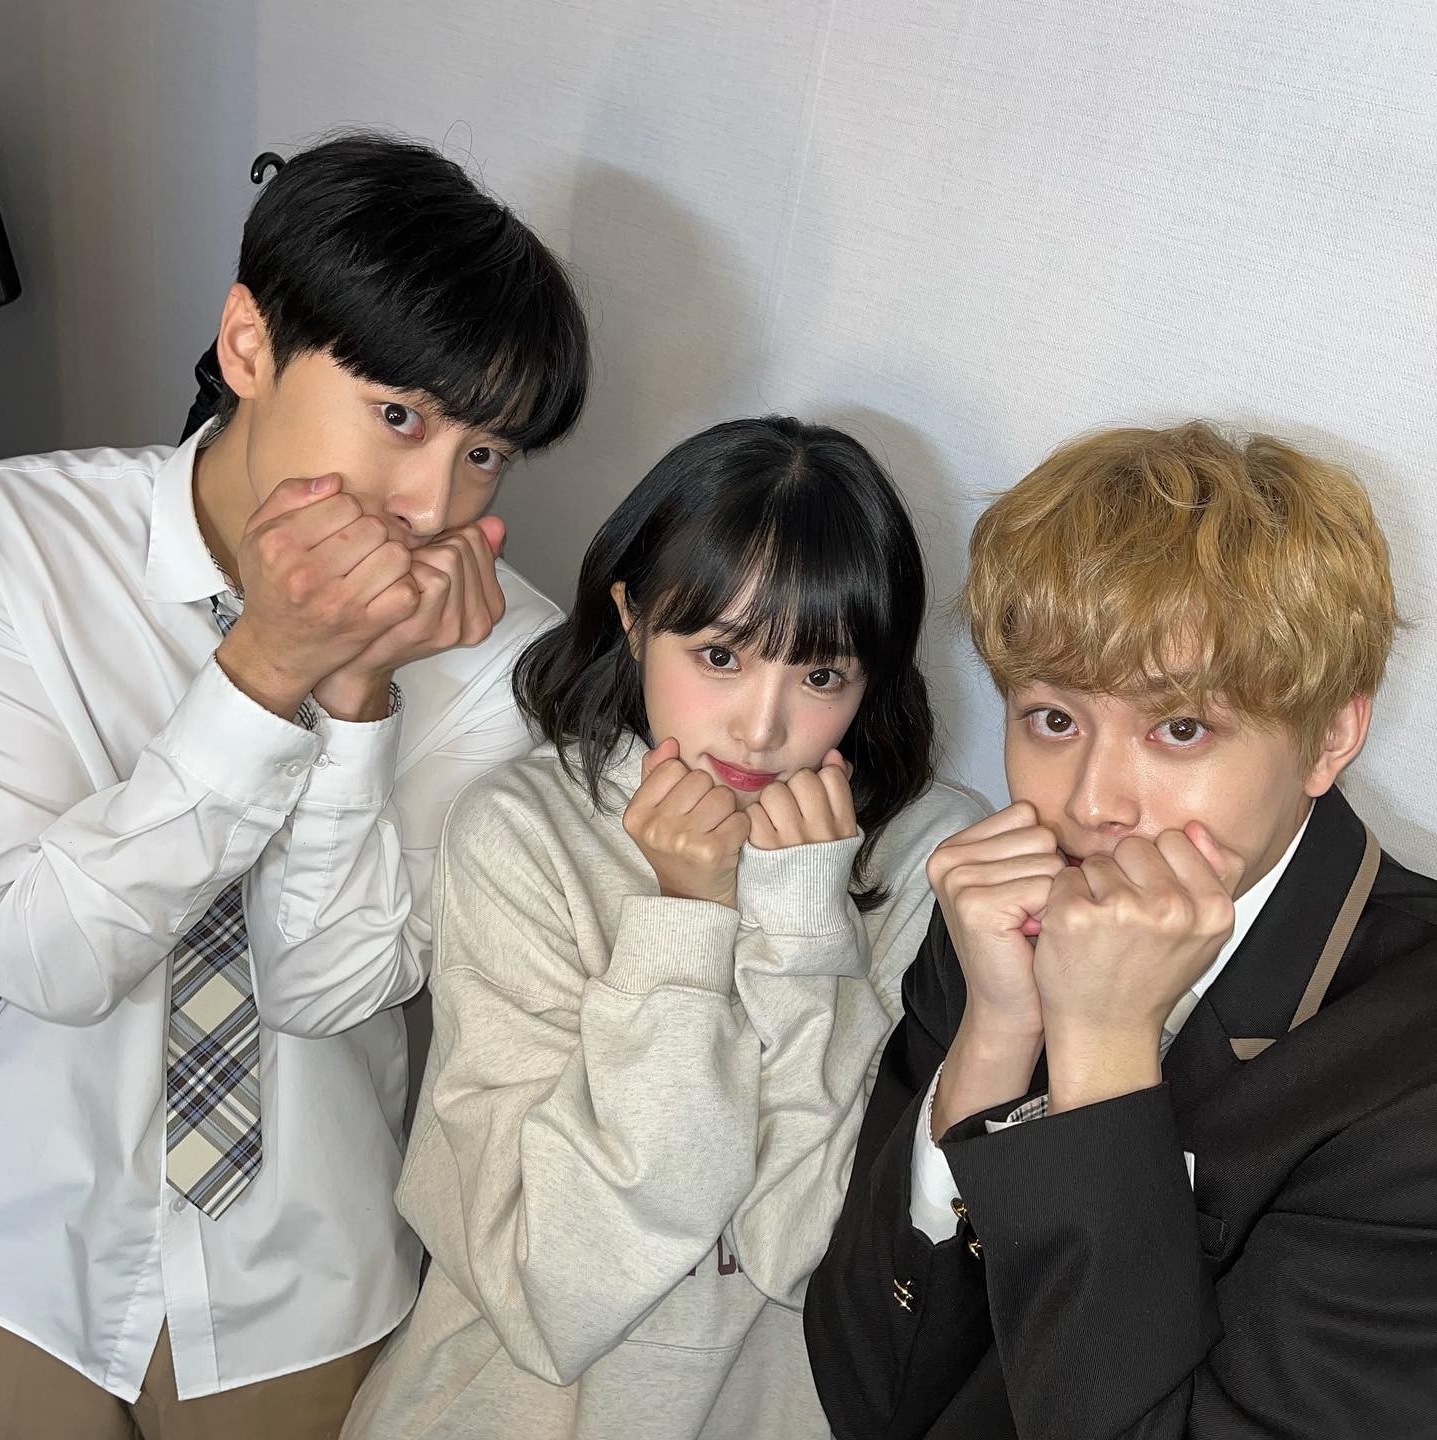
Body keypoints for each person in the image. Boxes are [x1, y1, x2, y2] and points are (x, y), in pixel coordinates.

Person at [0, 132, 588, 1437]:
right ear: (250, 345)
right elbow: (43, 955)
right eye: (401, 417)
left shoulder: (507, 655)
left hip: (302, 1275)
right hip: (23, 1244)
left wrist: (359, 691)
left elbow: (325, 988)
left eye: (486, 452)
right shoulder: (21, 549)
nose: (432, 503)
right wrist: (267, 665)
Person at [340, 416, 985, 1440]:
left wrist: (802, 925)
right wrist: (685, 922)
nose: (762, 728)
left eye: (822, 676)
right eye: (720, 654)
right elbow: (558, 1291)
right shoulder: (525, 832)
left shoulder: (932, 857)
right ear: (633, 618)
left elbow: (799, 1249)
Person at [803, 420, 1437, 1438]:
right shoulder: (994, 925)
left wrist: (1101, 1050)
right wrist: (995, 1037)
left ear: (1330, 737)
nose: (1094, 803)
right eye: (1053, 720)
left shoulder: (1409, 1076)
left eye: (1179, 728)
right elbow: (867, 1393)